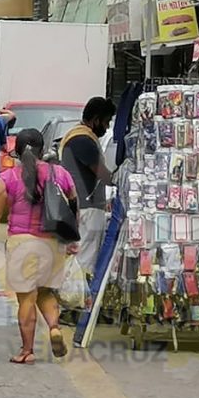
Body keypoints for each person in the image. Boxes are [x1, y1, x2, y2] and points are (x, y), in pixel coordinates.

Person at [0, 129, 78, 364]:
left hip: (22, 243)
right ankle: (53, 327)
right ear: (43, 149)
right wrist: (71, 240)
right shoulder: (60, 173)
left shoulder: (8, 177)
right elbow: (73, 206)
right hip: (53, 242)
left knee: (26, 299)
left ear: (18, 151)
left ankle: (28, 350)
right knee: (45, 292)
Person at [60, 96, 115, 276]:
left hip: (80, 205)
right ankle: (80, 295)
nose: (106, 127)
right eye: (106, 122)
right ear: (96, 119)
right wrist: (119, 179)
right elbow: (104, 175)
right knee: (85, 257)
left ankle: (75, 294)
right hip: (87, 208)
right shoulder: (84, 140)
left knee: (79, 254)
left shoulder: (75, 135)